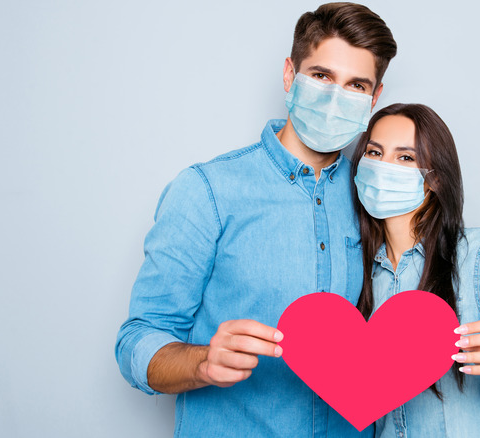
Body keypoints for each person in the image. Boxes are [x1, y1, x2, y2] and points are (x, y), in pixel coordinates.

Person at [115, 3, 396, 437]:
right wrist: (202, 362)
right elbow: (138, 339)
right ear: (289, 75)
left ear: (374, 99)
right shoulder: (208, 190)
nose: (336, 96)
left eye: (356, 85)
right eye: (321, 76)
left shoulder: (376, 200)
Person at [351, 103, 480, 436]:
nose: (382, 167)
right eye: (374, 153)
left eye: (405, 158)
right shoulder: (359, 276)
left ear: (433, 179)